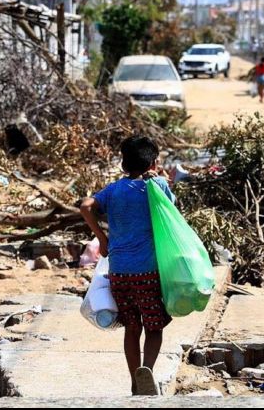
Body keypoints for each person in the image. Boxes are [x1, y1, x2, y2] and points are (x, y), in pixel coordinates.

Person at [80, 135, 176, 396]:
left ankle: (135, 381)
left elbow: (86, 206)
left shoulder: (113, 190)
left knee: (132, 328)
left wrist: (102, 238)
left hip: (119, 273)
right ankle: (147, 370)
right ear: (154, 162)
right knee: (154, 327)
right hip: (148, 273)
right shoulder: (158, 187)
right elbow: (171, 217)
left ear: (123, 164)